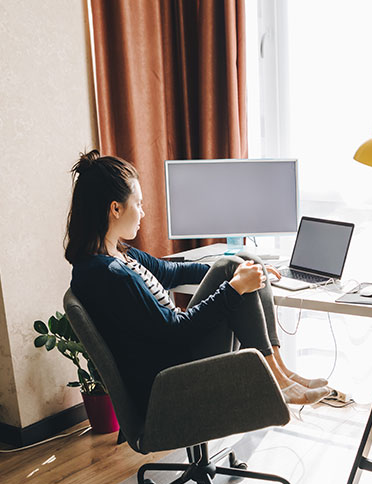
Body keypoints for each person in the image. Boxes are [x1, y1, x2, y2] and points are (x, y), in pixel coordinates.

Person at [65, 150, 331, 415]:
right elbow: (176, 332)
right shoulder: (110, 275)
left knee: (242, 260)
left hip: (177, 357)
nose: (143, 213)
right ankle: (277, 379)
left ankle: (280, 372)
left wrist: (242, 271)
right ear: (115, 208)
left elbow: (171, 272)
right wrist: (234, 287)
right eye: (139, 204)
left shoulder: (119, 255)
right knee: (234, 272)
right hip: (173, 380)